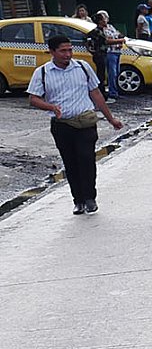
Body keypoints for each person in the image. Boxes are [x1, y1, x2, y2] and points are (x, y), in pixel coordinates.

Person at [27, 33, 124, 215]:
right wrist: (50, 107)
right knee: (70, 163)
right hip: (62, 125)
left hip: (85, 122)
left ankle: (90, 198)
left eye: (70, 50)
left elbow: (96, 94)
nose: (68, 54)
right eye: (63, 51)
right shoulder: (42, 73)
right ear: (52, 52)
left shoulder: (83, 67)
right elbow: (33, 98)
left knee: (86, 159)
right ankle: (78, 200)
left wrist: (111, 119)